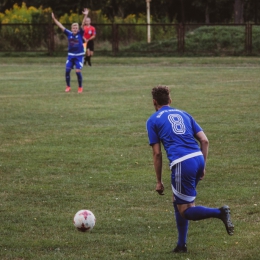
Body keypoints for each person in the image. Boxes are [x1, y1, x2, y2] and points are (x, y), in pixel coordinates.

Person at [146, 86, 234, 253]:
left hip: (182, 163)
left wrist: (158, 181)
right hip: (198, 158)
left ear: (154, 102)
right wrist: (203, 166)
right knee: (178, 200)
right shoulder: (184, 114)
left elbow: (157, 153)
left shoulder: (153, 120)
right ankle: (181, 245)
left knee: (186, 211)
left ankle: (220, 212)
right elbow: (205, 141)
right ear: (170, 101)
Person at [51, 9, 89, 93]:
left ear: (78, 29)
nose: (75, 29)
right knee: (67, 70)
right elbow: (61, 26)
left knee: (78, 72)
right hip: (71, 55)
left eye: (76, 28)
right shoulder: (69, 34)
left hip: (79, 55)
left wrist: (85, 15)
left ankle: (80, 87)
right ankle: (68, 86)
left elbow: (83, 24)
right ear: (71, 29)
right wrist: (54, 19)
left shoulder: (80, 33)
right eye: (73, 28)